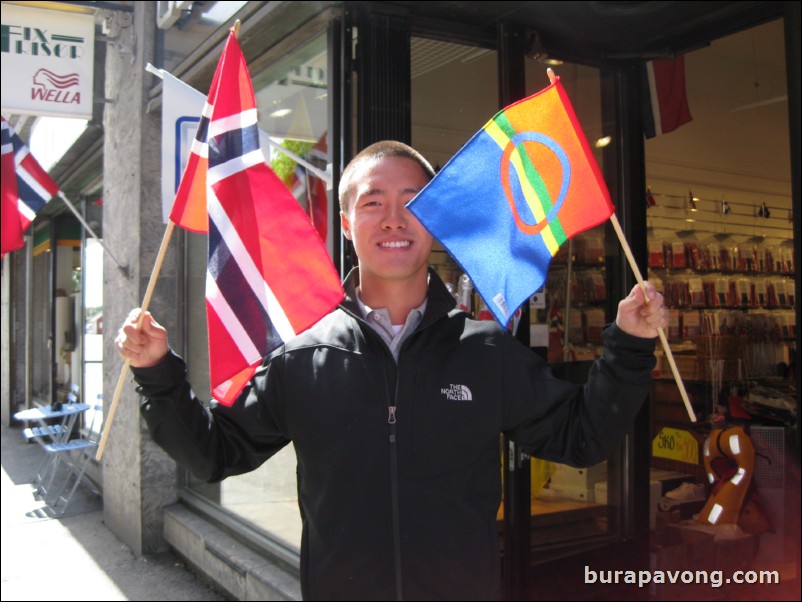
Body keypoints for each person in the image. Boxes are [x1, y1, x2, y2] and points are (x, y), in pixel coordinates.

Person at [117, 140, 667, 601]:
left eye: (412, 201)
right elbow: (213, 453)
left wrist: (630, 347)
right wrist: (157, 372)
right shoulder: (303, 358)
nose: (394, 219)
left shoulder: (486, 352)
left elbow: (583, 436)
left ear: (434, 219)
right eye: (373, 202)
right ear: (346, 223)